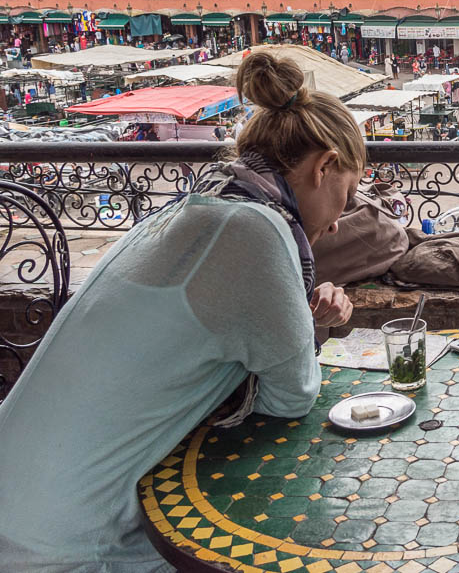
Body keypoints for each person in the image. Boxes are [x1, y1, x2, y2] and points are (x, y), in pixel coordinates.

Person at [0, 53, 362, 571]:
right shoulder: (254, 232)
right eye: (344, 200)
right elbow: (292, 397)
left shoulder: (197, 206)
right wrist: (307, 327)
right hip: (67, 541)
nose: (333, 227)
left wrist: (300, 322)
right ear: (324, 166)